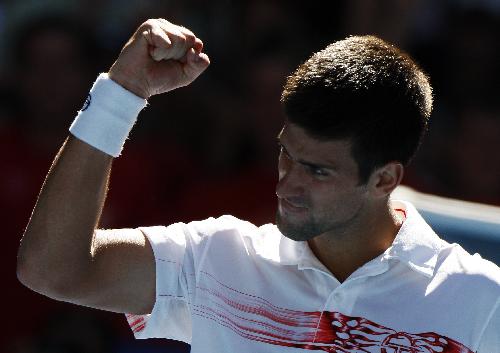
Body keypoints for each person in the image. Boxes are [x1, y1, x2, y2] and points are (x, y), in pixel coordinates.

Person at [16, 18, 499, 353]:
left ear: (385, 179)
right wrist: (120, 95)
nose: (286, 183)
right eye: (286, 152)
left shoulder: (481, 298)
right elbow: (53, 270)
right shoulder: (215, 256)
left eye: (317, 171)